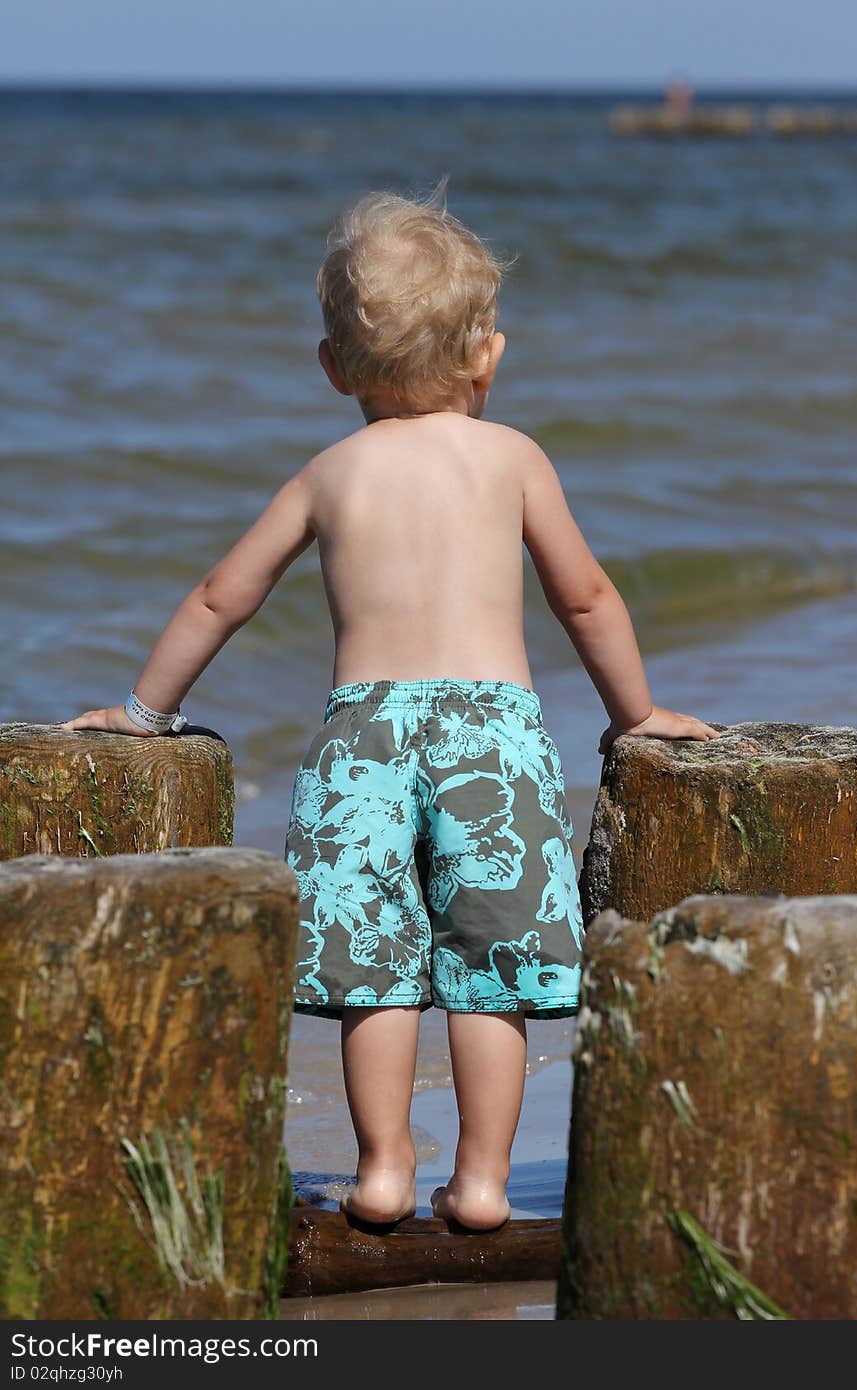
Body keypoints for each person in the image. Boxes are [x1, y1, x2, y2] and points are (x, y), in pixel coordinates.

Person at [59, 184, 719, 1233]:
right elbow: (584, 594)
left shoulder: (328, 474)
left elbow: (222, 594)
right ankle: (486, 1180)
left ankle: (380, 1170)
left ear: (332, 369)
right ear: (486, 357)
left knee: (372, 969)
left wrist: (145, 710)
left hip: (361, 738)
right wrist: (634, 714)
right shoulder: (512, 460)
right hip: (491, 735)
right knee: (492, 969)